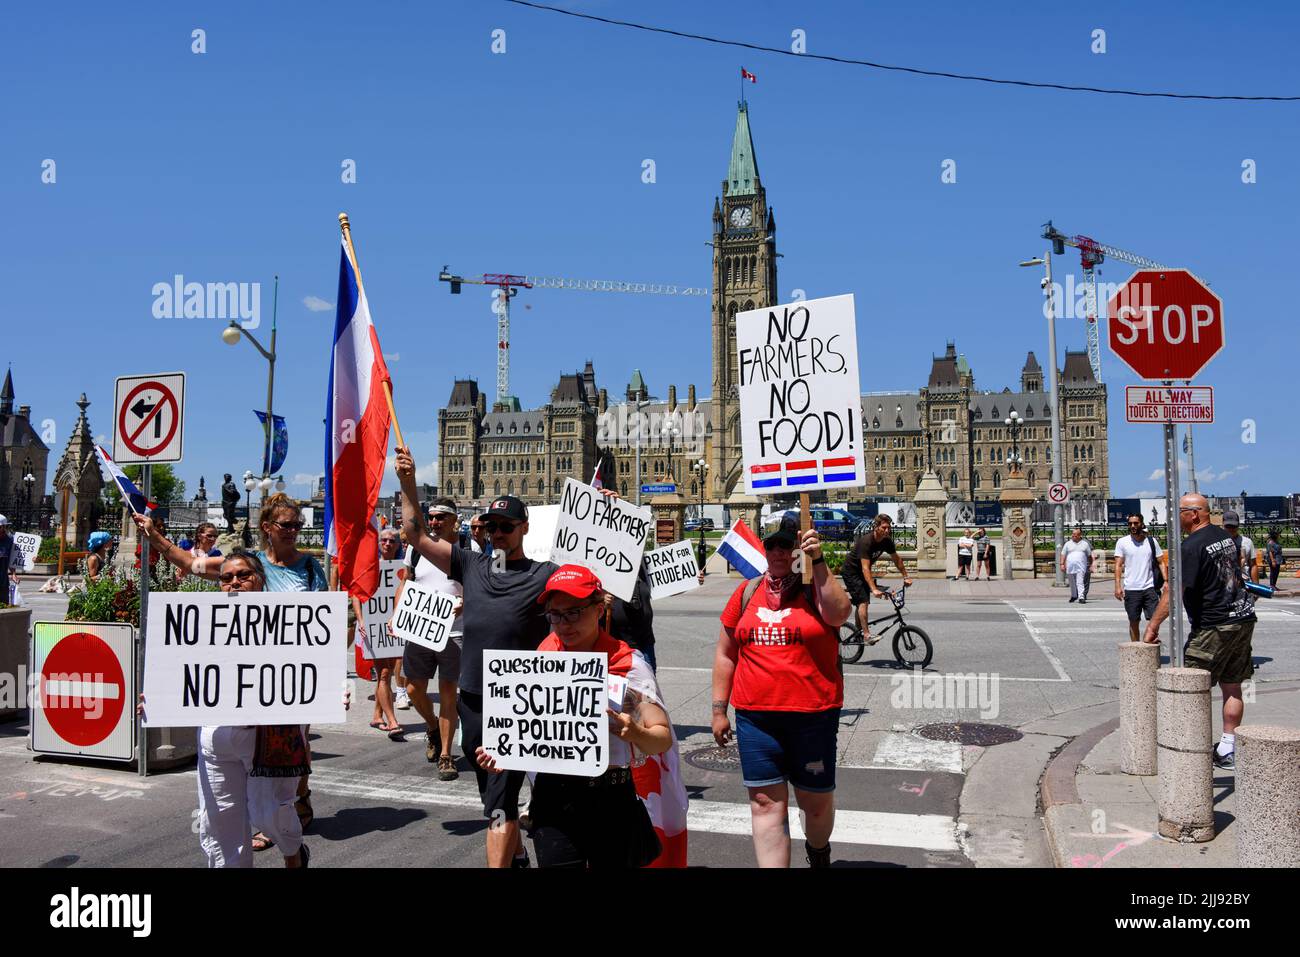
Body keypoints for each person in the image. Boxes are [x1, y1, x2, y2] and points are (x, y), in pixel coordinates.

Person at [399, 446, 615, 867]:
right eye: (490, 525)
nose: (497, 533)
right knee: (492, 793)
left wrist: (603, 519)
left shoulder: (544, 574)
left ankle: (505, 859)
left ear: (524, 528)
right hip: (473, 700)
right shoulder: (469, 564)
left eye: (506, 526)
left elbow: (590, 588)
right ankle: (517, 856)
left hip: (521, 706)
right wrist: (408, 483)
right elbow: (415, 535)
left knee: (499, 799)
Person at [134, 492, 327, 849]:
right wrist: (155, 538)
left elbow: (322, 627)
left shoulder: (311, 569)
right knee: (253, 750)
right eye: (287, 525)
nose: (294, 531)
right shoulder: (245, 565)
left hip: (289, 675)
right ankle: (263, 819)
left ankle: (297, 798)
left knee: (293, 746)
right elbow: (194, 564)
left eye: (298, 525)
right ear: (267, 528)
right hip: (246, 671)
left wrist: (325, 679)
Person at [474, 564, 672, 868]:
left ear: (598, 607)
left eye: (574, 612)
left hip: (612, 798)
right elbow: (527, 729)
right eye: (555, 614)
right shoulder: (543, 658)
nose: (563, 624)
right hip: (554, 799)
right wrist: (502, 751)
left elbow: (661, 740)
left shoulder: (629, 665)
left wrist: (634, 732)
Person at [711, 515, 852, 868]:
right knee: (764, 803)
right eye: (771, 544)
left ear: (796, 552)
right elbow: (726, 653)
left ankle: (818, 851)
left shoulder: (812, 588)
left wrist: (817, 561)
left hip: (813, 717)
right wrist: (718, 709)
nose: (777, 550)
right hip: (755, 719)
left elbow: (840, 613)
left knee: (815, 804)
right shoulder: (746, 593)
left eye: (786, 545)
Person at [1145, 493, 1257, 770]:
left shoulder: (1191, 547)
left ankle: (1189, 753)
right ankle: (1228, 748)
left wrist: (1152, 626)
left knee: (1190, 688)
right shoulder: (1225, 537)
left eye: (1180, 511)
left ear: (1194, 514)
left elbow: (1173, 592)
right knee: (1232, 684)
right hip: (1242, 617)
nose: (1176, 517)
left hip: (1214, 624)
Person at [397, 498, 464, 780]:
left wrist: (466, 603)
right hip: (420, 629)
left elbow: (484, 586)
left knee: (449, 693)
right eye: (431, 517)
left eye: (440, 517)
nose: (434, 522)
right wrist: (396, 614)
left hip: (455, 632)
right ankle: (432, 726)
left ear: (453, 521)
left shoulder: (468, 549)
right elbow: (406, 583)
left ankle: (447, 755)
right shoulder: (416, 550)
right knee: (413, 689)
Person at [356, 526, 405, 737]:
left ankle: (377, 715)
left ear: (398, 544)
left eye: (391, 540)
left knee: (389, 672)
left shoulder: (404, 568)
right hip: (373, 625)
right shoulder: (368, 567)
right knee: (384, 673)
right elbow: (356, 594)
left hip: (394, 627)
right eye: (383, 540)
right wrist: (361, 621)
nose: (387, 544)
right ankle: (393, 722)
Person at [840, 514, 912, 645]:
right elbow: (865, 568)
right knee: (863, 601)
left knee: (863, 601)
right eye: (884, 527)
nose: (887, 530)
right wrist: (874, 589)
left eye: (888, 528)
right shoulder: (866, 542)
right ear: (876, 527)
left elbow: (896, 559)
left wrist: (906, 576)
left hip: (862, 572)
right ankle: (866, 635)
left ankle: (858, 631)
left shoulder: (886, 541)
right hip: (851, 572)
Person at [1113, 514, 1167, 642]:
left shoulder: (1151, 542)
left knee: (1155, 619)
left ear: (1141, 524)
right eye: (1130, 523)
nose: (1133, 526)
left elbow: (1161, 562)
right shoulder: (1122, 542)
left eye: (1136, 523)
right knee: (1133, 621)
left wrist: (1166, 581)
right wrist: (1117, 586)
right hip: (1131, 588)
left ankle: (1149, 643)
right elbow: (1118, 565)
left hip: (1150, 587)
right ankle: (1136, 648)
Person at [606, 558, 658, 671]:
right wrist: (601, 598)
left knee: (648, 683)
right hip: (618, 644)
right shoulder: (605, 569)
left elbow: (668, 585)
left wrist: (694, 579)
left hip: (644, 641)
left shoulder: (645, 566)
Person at [1222, 511, 1261, 585]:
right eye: (1228, 526)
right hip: (1224, 585)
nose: (1231, 529)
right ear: (1223, 525)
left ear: (1238, 525)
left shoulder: (1247, 542)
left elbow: (1253, 565)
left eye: (1234, 526)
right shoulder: (1217, 542)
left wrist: (1256, 586)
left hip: (1244, 583)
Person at [1061, 527, 1093, 603]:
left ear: (1080, 535)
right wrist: (1062, 564)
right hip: (1070, 566)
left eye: (1075, 534)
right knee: (1072, 582)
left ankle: (1081, 597)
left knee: (1080, 581)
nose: (1073, 535)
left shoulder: (1085, 544)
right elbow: (1063, 554)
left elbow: (1089, 555)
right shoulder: (1067, 544)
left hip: (1081, 566)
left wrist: (1091, 564)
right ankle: (1074, 596)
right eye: (1073, 534)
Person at [0, 516, 21, 603]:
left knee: (4, 607)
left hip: (3, 582)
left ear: (4, 527)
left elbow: (12, 558)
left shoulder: (10, 540)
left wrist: (13, 574)